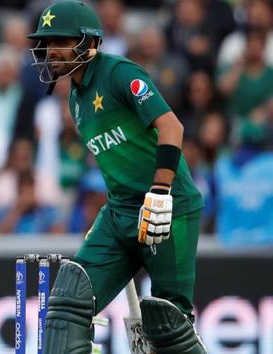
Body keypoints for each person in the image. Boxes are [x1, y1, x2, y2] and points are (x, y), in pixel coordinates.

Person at [28, 1, 206, 353]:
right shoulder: (74, 99)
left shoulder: (120, 73)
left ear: (89, 43)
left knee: (169, 325)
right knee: (67, 303)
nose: (51, 51)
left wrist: (160, 190)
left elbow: (171, 126)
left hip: (169, 208)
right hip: (120, 212)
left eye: (61, 41)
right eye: (47, 43)